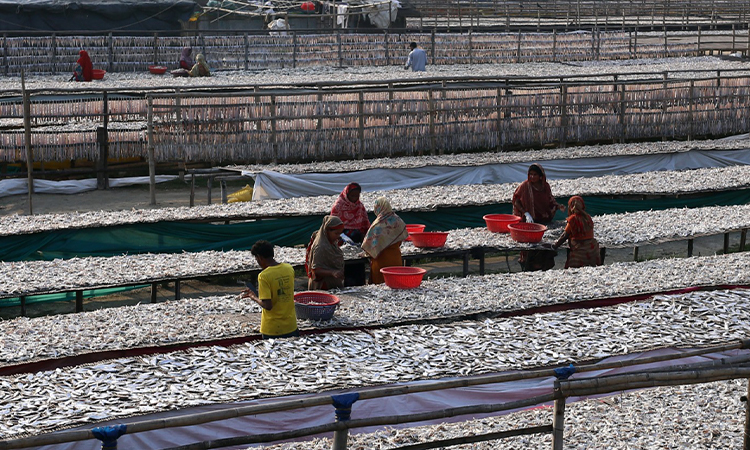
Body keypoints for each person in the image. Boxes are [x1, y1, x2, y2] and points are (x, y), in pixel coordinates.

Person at [511, 163, 565, 271]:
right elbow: (516, 200)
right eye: (530, 174)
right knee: (531, 247)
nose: (532, 177)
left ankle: (542, 268)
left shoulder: (545, 186)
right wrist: (525, 213)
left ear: (541, 176)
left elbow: (550, 200)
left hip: (543, 221)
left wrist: (558, 206)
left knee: (544, 245)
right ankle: (529, 267)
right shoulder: (525, 186)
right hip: (529, 222)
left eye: (535, 174)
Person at [240, 240, 299, 339]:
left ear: (259, 257)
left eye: (256, 258)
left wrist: (253, 297)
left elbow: (268, 305)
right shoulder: (289, 268)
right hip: (291, 326)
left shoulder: (264, 276)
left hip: (273, 329)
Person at [362, 197, 408, 284]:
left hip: (381, 261)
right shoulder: (398, 220)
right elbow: (400, 240)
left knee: (382, 285)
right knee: (396, 284)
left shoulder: (377, 225)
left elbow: (369, 246)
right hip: (395, 258)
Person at [552, 196, 602, 269]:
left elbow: (564, 236)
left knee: (571, 270)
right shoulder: (588, 217)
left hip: (579, 251)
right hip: (593, 250)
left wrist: (554, 246)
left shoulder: (572, 219)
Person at [306, 215, 346, 290]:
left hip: (332, 283)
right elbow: (315, 270)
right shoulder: (321, 247)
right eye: (336, 233)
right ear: (327, 231)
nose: (338, 236)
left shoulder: (331, 242)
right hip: (323, 285)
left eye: (340, 233)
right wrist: (332, 272)